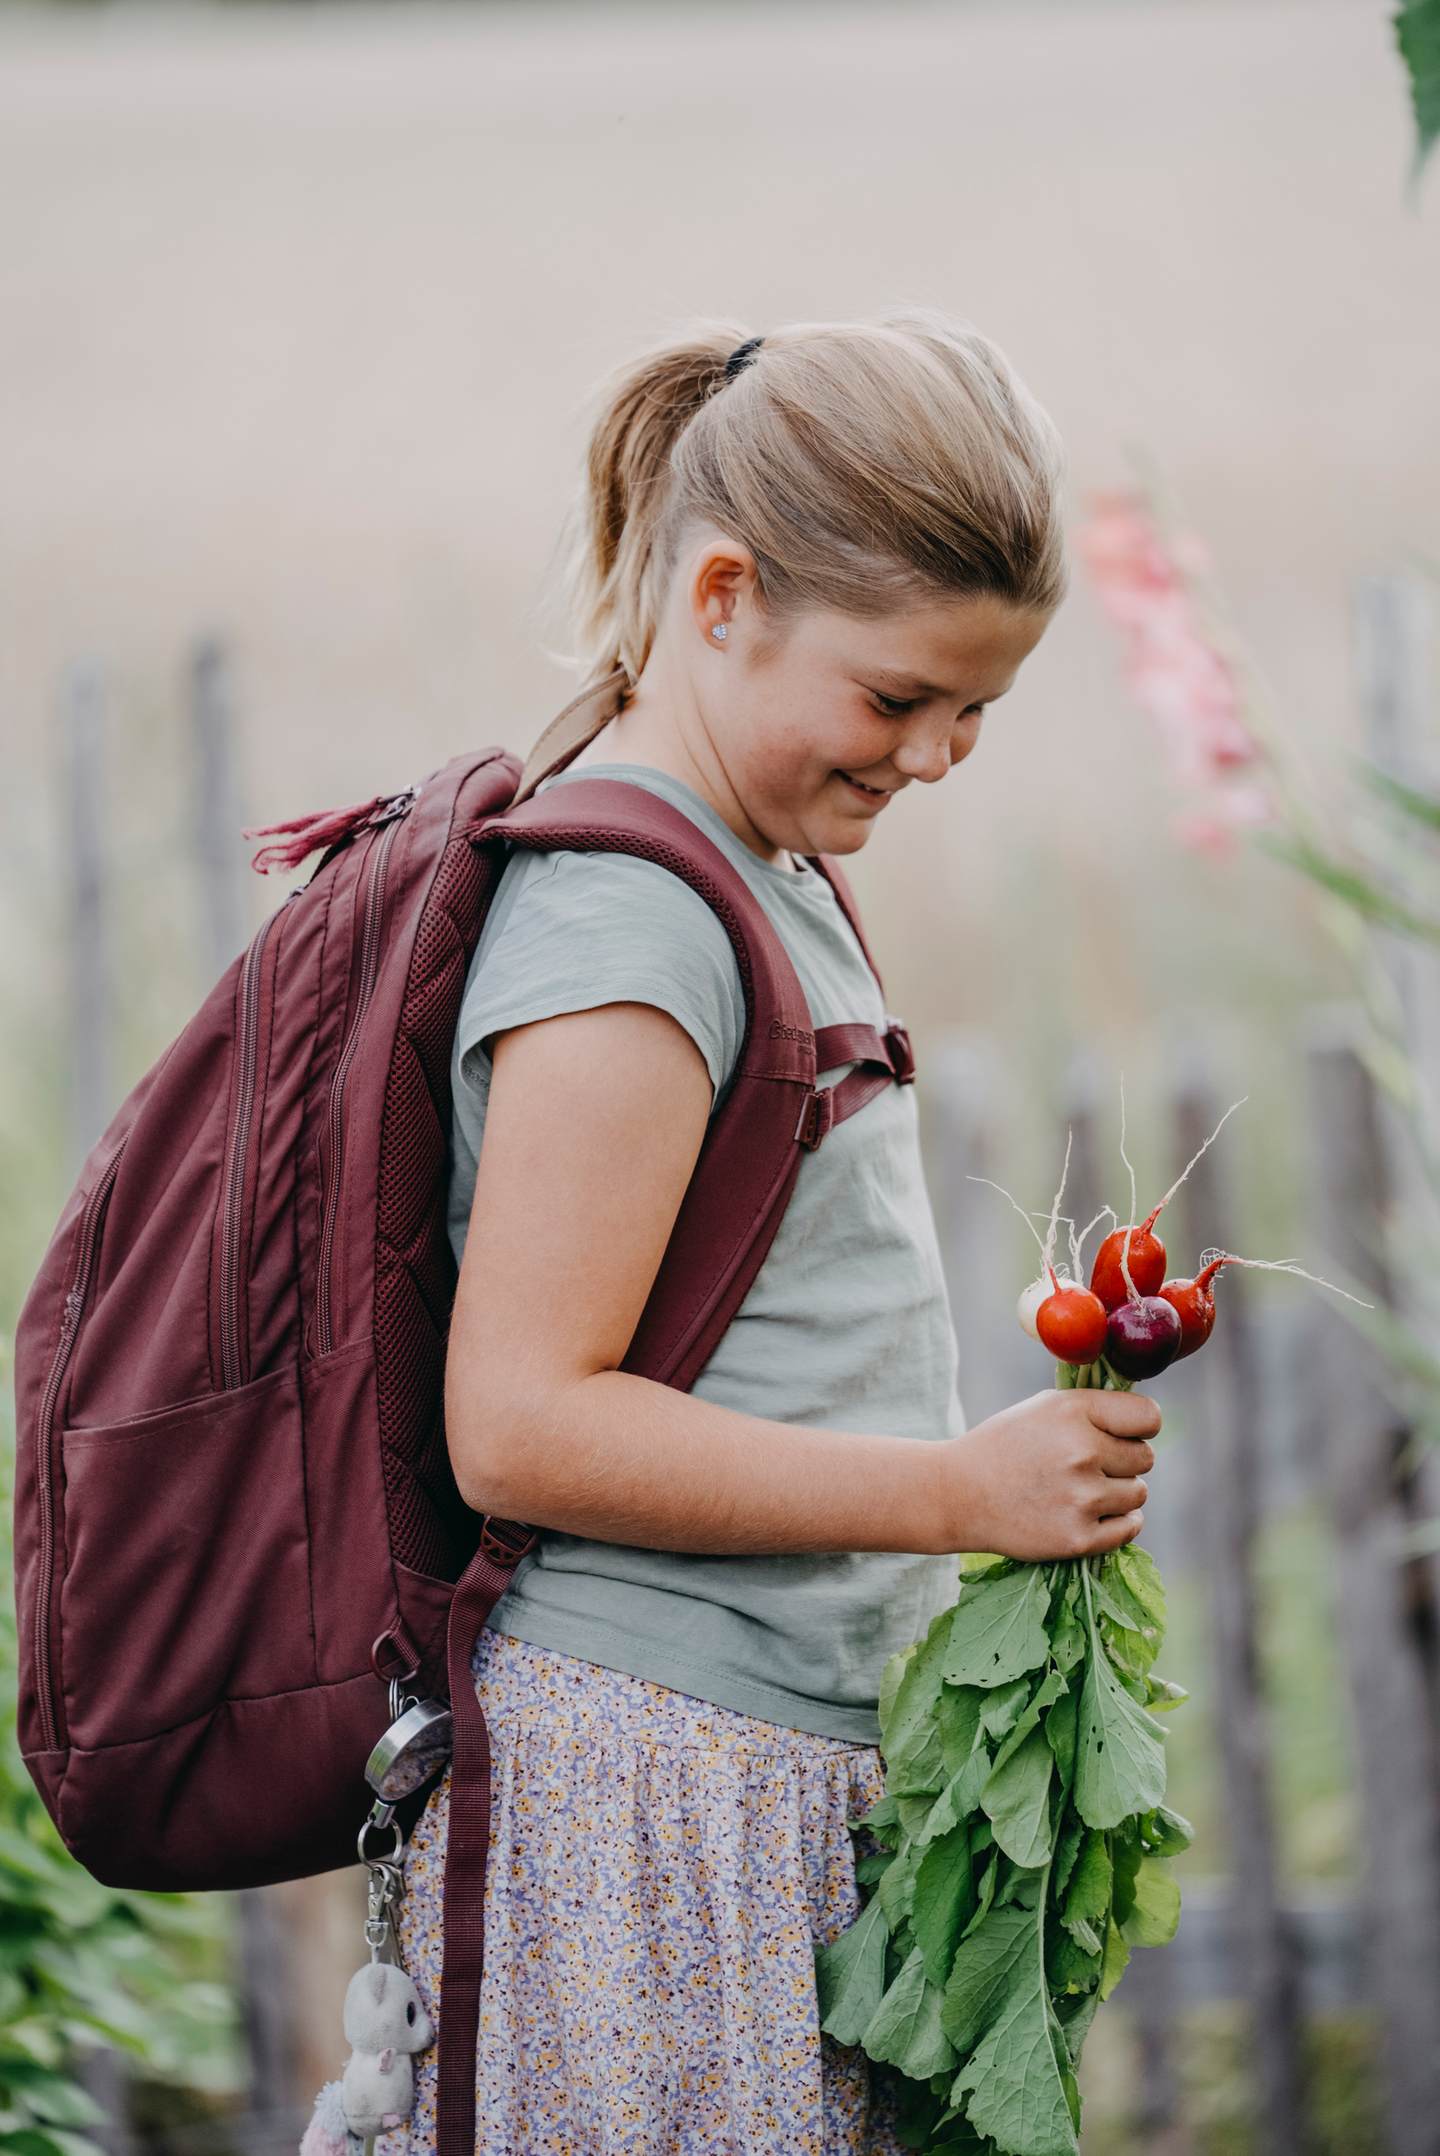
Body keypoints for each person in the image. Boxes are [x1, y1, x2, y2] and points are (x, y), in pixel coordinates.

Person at [385, 313, 1160, 2156]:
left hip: (755, 1758)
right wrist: (953, 1498)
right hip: (647, 1789)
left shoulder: (765, 867)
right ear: (721, 592)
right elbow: (522, 1422)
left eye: (981, 707)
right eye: (899, 698)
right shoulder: (631, 931)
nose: (945, 750)